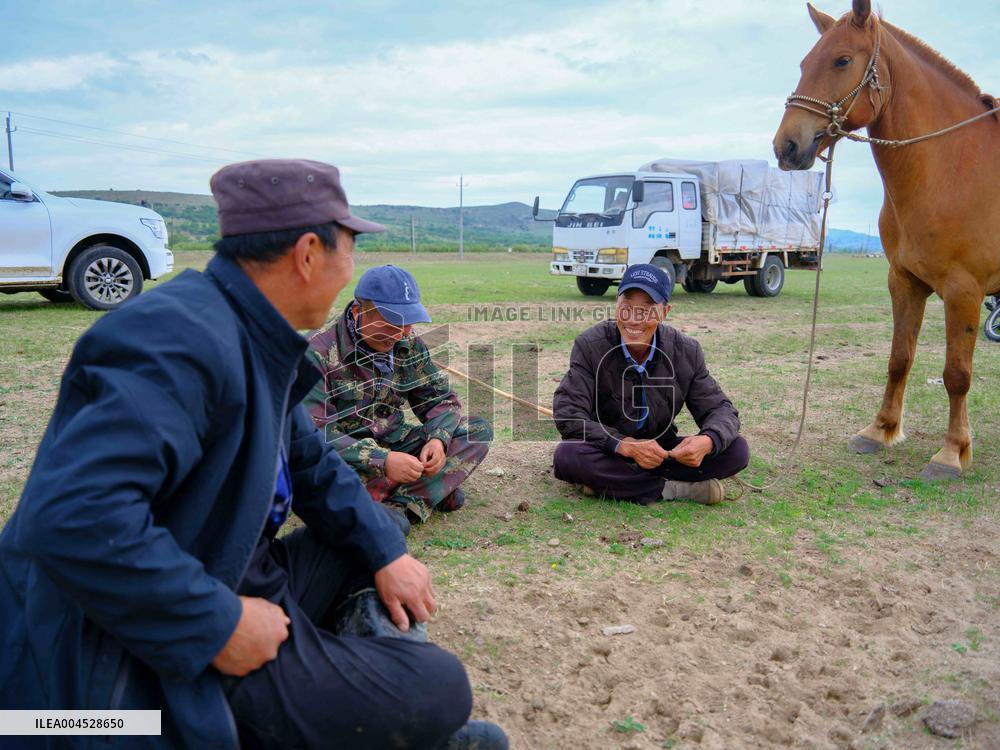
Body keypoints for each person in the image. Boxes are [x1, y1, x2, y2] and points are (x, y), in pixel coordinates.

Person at [0, 159, 506, 750]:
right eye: (350, 249)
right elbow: (71, 520)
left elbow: (313, 465)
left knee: (366, 539)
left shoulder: (248, 334)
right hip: (123, 646)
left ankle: (342, 692)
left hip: (231, 569)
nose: (349, 273)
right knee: (440, 687)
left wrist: (388, 552)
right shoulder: (171, 340)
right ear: (309, 253)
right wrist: (219, 625)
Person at [306, 265, 492, 529]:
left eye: (407, 323)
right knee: (328, 482)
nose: (402, 333)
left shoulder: (406, 342)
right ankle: (430, 489)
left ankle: (399, 506)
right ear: (359, 313)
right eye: (392, 323)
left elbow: (440, 399)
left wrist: (438, 440)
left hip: (394, 442)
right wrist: (382, 460)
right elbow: (314, 433)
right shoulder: (315, 353)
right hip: (346, 456)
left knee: (477, 431)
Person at [552, 263, 750, 505]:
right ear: (616, 307)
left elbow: (720, 410)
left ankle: (615, 483)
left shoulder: (686, 351)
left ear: (664, 313)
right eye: (626, 308)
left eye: (646, 310)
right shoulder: (590, 345)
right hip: (611, 449)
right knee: (568, 456)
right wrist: (622, 444)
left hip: (662, 451)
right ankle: (673, 490)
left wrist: (706, 441)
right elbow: (568, 413)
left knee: (736, 450)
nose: (634, 320)